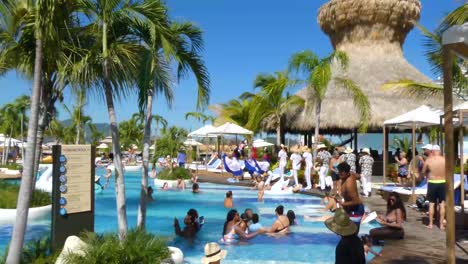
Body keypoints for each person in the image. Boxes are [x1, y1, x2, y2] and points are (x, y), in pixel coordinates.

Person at [422, 144, 446, 229]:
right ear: (439, 151)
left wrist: (427, 175)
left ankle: (431, 224)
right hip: (443, 182)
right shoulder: (444, 160)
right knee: (442, 204)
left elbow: (423, 171)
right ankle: (441, 225)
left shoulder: (429, 160)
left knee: (431, 204)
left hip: (432, 182)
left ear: (432, 151)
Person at [336, 162, 364, 232]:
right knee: (345, 232)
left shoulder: (349, 185)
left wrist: (342, 204)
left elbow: (356, 201)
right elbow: (358, 176)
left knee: (352, 233)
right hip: (349, 208)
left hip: (356, 209)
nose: (339, 174)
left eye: (341, 173)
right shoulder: (350, 175)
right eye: (339, 172)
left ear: (347, 173)